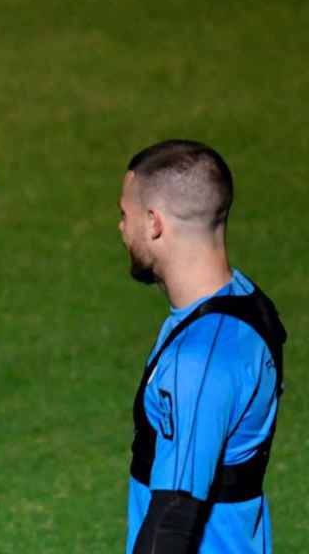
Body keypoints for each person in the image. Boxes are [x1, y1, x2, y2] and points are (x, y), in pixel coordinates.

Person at [118, 140, 287, 553]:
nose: (121, 228)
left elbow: (174, 519)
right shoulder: (246, 303)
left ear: (154, 223)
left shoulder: (201, 358)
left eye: (126, 215)